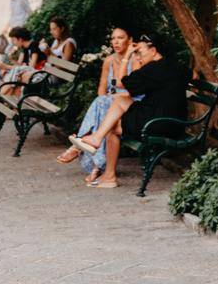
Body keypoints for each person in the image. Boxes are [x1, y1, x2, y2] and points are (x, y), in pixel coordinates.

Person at [69, 30, 187, 188]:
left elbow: (119, 83)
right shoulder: (174, 65)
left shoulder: (151, 70)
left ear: (153, 51)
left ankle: (109, 176)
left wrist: (127, 56)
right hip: (171, 119)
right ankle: (97, 138)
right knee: (121, 99)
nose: (137, 57)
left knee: (114, 128)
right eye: (136, 54)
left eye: (140, 53)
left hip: (160, 123)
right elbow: (191, 74)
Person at [57, 26, 137, 181]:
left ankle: (79, 146)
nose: (115, 42)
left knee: (104, 103)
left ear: (130, 40)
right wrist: (107, 100)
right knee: (103, 104)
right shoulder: (108, 61)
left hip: (129, 105)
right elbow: (101, 89)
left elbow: (135, 91)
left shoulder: (135, 60)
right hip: (109, 104)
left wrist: (110, 98)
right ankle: (97, 167)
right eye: (113, 38)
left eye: (120, 38)